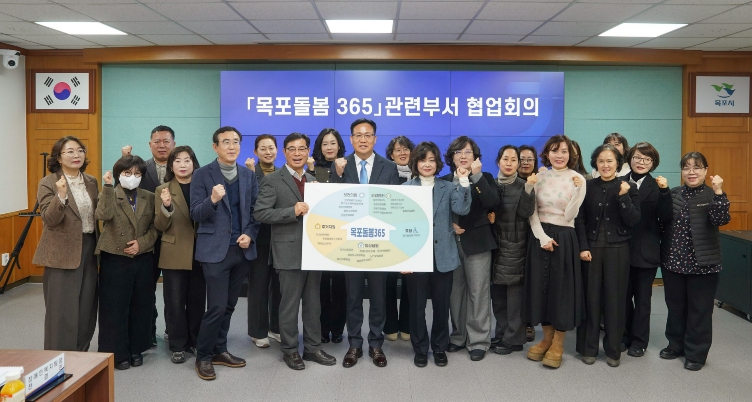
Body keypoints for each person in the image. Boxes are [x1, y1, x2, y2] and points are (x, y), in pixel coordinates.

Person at [254, 132, 338, 371]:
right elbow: (260, 213)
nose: (297, 153)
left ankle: (312, 348)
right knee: (289, 305)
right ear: (284, 152)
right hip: (287, 252)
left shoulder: (314, 180)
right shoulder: (272, 180)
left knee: (313, 304)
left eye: (302, 149)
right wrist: (291, 211)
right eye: (292, 149)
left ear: (308, 152)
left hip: (314, 250)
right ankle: (290, 350)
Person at [190, 126, 260, 380]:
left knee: (229, 306)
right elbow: (195, 213)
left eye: (236, 142)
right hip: (214, 251)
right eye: (226, 142)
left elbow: (255, 211)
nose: (232, 146)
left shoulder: (248, 175)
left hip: (241, 250)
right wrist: (212, 200)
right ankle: (203, 356)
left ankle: (220, 350)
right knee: (217, 307)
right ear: (215, 146)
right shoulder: (202, 174)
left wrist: (250, 234)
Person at [330, 118, 400, 368]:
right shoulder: (340, 165)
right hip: (350, 243)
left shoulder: (389, 167)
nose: (363, 139)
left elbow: (395, 204)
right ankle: (354, 344)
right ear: (351, 139)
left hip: (379, 243)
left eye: (367, 135)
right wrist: (337, 175)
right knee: (353, 297)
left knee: (379, 296)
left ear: (375, 139)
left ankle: (376, 344)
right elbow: (332, 202)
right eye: (358, 135)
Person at [659, 152, 730, 371]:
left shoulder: (713, 194)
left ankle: (696, 354)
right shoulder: (674, 193)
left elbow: (721, 219)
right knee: (675, 307)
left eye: (697, 167)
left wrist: (719, 192)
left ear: (706, 171)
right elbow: (663, 221)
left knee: (700, 311)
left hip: (704, 265)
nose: (691, 172)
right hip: (673, 263)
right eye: (686, 167)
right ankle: (675, 345)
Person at [403, 141, 471, 367]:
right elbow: (399, 225)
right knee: (417, 307)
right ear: (416, 163)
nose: (427, 164)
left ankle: (440, 347)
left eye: (432, 160)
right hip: (415, 257)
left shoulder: (448, 186)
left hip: (443, 255)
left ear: (438, 164)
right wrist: (402, 258)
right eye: (423, 160)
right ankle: (420, 348)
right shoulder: (406, 188)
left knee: (442, 307)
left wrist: (463, 181)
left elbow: (462, 209)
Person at [575, 144, 641, 367]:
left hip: (618, 250)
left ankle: (613, 350)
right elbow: (579, 219)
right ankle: (588, 348)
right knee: (590, 300)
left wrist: (623, 197)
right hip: (591, 250)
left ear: (618, 163)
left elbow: (633, 220)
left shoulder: (629, 186)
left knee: (616, 301)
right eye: (601, 161)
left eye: (610, 161)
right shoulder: (587, 186)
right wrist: (583, 246)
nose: (605, 165)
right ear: (595, 163)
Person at [525, 135, 586, 369]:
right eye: (554, 151)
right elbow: (532, 211)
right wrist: (542, 237)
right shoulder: (539, 177)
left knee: (561, 291)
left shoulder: (577, 178)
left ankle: (558, 344)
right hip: (540, 236)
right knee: (542, 289)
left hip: (565, 237)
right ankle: (546, 339)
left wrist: (579, 191)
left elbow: (571, 215)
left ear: (571, 154)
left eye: (563, 151)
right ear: (547, 154)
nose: (559, 155)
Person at [33, 136, 99, 352]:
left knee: (86, 307)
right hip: (61, 253)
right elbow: (49, 219)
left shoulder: (91, 181)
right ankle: (59, 358)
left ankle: (81, 354)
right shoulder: (48, 182)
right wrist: (60, 196)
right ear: (59, 158)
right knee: (61, 310)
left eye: (80, 150)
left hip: (89, 248)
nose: (76, 155)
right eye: (69, 151)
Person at [95, 155, 158, 370]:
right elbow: (103, 215)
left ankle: (136, 348)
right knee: (114, 306)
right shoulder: (109, 193)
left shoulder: (149, 197)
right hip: (115, 257)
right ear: (118, 174)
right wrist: (107, 187)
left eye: (137, 174)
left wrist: (142, 243)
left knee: (141, 304)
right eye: (127, 173)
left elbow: (156, 227)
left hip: (142, 256)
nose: (132, 177)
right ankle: (116, 351)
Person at [442, 136, 500, 362]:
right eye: (458, 152)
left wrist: (476, 176)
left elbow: (492, 202)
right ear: (451, 157)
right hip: (450, 245)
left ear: (476, 157)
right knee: (455, 294)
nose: (463, 156)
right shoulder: (444, 181)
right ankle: (458, 336)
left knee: (478, 293)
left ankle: (478, 341)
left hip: (477, 243)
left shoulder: (485, 178)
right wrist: (450, 225)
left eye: (467, 152)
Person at [122, 124, 176, 346]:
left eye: (166, 141)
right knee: (146, 289)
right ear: (150, 144)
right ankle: (148, 331)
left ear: (173, 144)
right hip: (146, 238)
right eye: (157, 141)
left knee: (175, 290)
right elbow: (122, 191)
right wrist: (125, 162)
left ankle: (174, 331)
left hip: (175, 239)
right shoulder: (139, 168)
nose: (161, 145)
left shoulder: (184, 166)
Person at [154, 146, 205, 364]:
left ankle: (195, 341)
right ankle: (177, 344)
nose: (182, 165)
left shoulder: (203, 187)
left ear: (194, 163)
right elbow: (159, 226)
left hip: (201, 252)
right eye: (177, 161)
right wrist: (166, 207)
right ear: (171, 165)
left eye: (187, 160)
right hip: (174, 252)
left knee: (197, 300)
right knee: (174, 302)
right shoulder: (162, 189)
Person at [621, 142, 672, 358]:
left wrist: (665, 192)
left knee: (642, 300)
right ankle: (624, 336)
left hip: (646, 251)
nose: (641, 162)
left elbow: (666, 216)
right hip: (621, 250)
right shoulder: (619, 182)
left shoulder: (658, 186)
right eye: (637, 157)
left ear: (653, 163)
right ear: (630, 158)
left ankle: (639, 341)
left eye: (647, 159)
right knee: (622, 298)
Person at [487, 145, 535, 356]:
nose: (509, 163)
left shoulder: (524, 186)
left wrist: (529, 189)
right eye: (505, 159)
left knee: (515, 300)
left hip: (516, 247)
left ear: (518, 164)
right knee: (498, 298)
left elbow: (526, 212)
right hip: (494, 249)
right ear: (498, 161)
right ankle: (502, 333)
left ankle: (514, 338)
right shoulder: (490, 185)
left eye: (513, 160)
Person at [309, 128, 348, 344]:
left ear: (339, 145)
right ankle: (322, 329)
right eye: (325, 144)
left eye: (333, 143)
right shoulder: (311, 169)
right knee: (320, 287)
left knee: (341, 286)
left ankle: (338, 329)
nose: (329, 147)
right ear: (319, 147)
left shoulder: (348, 167)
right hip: (320, 235)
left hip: (344, 235)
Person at [244, 134, 282, 348]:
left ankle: (276, 327)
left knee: (280, 286)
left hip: (281, 237)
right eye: (263, 148)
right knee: (258, 285)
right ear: (256, 152)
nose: (268, 152)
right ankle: (258, 331)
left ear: (277, 150)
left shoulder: (283, 173)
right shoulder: (249, 174)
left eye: (271, 148)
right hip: (258, 237)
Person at [384, 135, 416, 342]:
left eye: (406, 149)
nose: (402, 153)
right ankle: (389, 326)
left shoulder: (420, 174)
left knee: (410, 284)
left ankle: (406, 325)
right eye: (398, 150)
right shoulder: (384, 174)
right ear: (391, 154)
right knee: (388, 283)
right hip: (388, 237)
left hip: (412, 236)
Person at [517, 144, 538, 343]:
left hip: (535, 238)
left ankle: (530, 323)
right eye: (521, 159)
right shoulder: (508, 181)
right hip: (514, 239)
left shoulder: (542, 182)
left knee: (531, 283)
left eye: (529, 159)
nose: (525, 162)